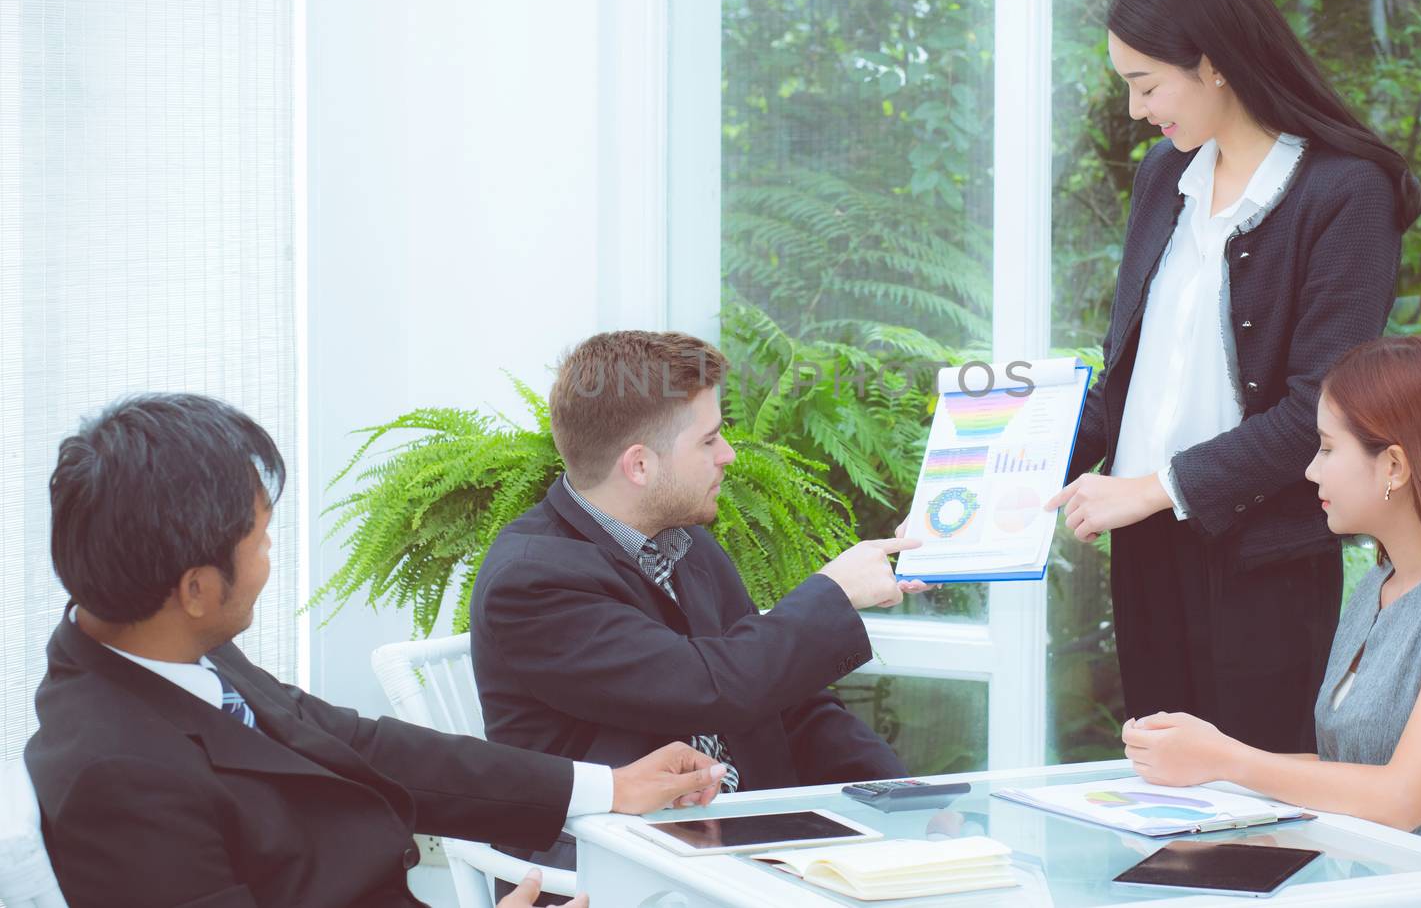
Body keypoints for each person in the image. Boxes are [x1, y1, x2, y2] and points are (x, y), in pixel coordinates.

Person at [26, 394, 726, 908]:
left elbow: (359, 745)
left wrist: (605, 786)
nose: (270, 558)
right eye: (262, 538)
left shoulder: (176, 648)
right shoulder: (113, 776)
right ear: (197, 587)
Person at [1049, 0, 1421, 753]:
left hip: (1265, 561)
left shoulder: (1345, 194)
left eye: (1145, 84)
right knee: (1164, 797)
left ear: (1212, 64)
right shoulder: (1165, 176)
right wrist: (1001, 468)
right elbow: (1130, 378)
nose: (1136, 109)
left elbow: (1316, 412)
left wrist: (1154, 486)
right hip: (1144, 546)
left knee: (1254, 811)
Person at [470, 330, 923, 875]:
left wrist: (905, 803)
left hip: (743, 846)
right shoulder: (532, 584)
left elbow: (788, 703)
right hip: (616, 869)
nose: (728, 455)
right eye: (709, 441)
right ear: (640, 466)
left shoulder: (683, 541)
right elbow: (710, 687)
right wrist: (834, 594)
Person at [1122, 336, 1421, 902]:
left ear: (1393, 466)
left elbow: (1402, 798)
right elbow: (1344, 768)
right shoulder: (1377, 588)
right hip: (1360, 885)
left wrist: (1227, 759)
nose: (1309, 471)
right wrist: (1203, 766)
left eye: (1327, 449)